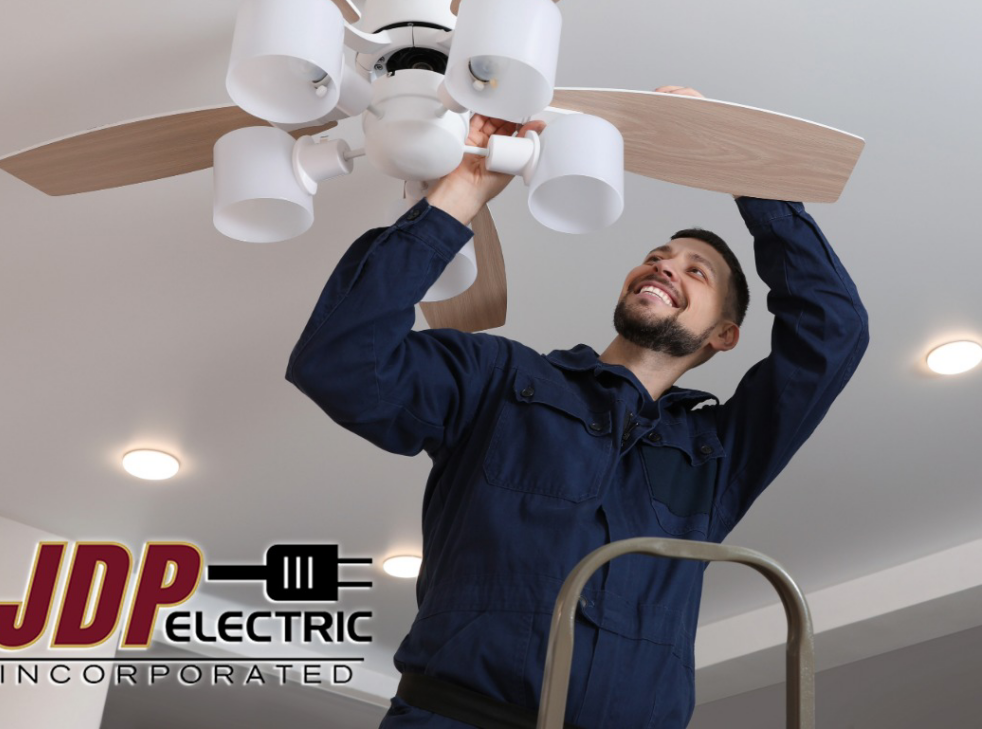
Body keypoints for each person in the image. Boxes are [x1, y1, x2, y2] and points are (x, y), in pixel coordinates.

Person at [287, 87, 869, 729]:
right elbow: (341, 363)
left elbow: (832, 330)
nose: (665, 266)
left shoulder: (718, 456)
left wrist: (733, 164)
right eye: (656, 257)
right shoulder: (500, 380)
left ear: (724, 335)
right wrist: (462, 191)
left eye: (696, 271)